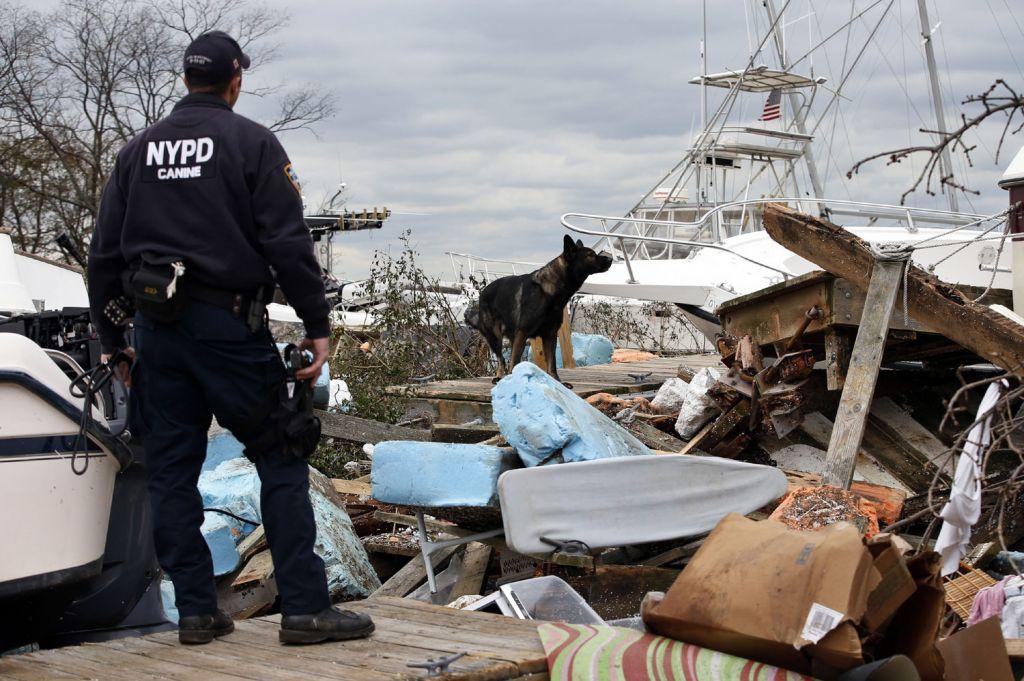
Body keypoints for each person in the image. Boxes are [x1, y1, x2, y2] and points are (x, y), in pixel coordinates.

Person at [87, 30, 375, 646]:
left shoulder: (136, 152)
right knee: (279, 451)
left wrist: (113, 340)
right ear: (236, 78)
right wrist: (317, 325)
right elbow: (289, 243)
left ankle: (195, 610)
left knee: (169, 470)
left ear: (185, 80)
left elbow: (103, 256)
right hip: (229, 326)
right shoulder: (252, 143)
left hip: (156, 332)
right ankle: (304, 608)